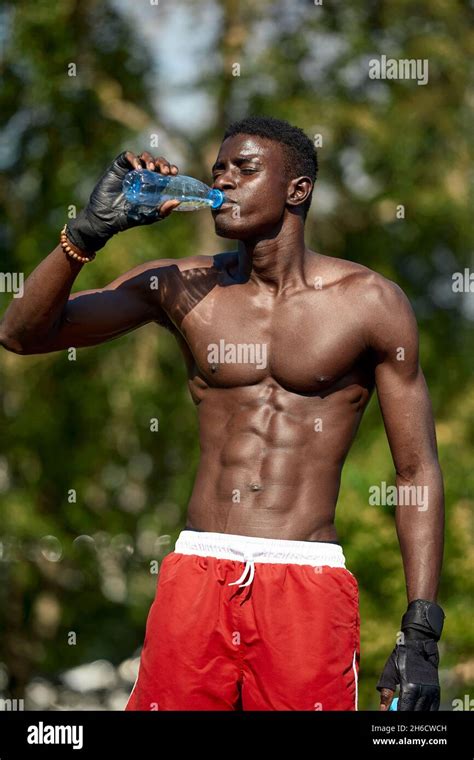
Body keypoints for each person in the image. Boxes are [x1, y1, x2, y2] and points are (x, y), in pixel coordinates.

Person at [0, 116, 445, 711]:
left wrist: (421, 633)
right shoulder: (184, 285)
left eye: (246, 169)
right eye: (218, 171)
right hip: (197, 572)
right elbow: (22, 334)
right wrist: (86, 233)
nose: (225, 182)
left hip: (305, 578)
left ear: (297, 190)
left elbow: (415, 473)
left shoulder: (369, 302)